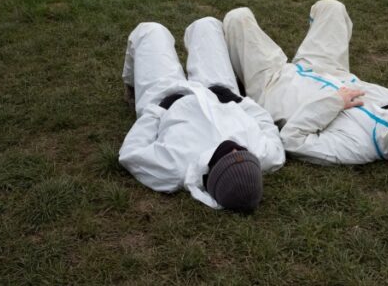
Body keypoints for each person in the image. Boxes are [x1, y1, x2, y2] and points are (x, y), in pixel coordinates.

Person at [223, 0, 388, 168]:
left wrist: (333, 103)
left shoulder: (355, 148)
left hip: (275, 85)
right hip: (326, 69)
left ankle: (239, 72)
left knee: (237, 18)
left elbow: (292, 140)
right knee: (332, 8)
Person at [118, 17, 285, 212]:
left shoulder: (173, 169)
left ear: (213, 175)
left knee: (150, 31)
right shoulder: (266, 155)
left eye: (230, 157)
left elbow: (130, 152)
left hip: (167, 95)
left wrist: (157, 111)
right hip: (220, 92)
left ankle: (131, 87)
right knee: (206, 25)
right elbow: (266, 123)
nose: (235, 150)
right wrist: (240, 102)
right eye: (241, 152)